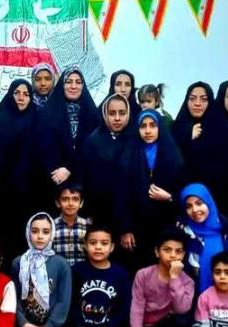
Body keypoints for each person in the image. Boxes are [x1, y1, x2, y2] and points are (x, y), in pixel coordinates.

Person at [116, 109, 186, 270]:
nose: (148, 131)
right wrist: (125, 229)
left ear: (160, 127)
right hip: (137, 229)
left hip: (166, 226)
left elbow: (184, 194)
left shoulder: (174, 157)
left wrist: (169, 197)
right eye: (143, 126)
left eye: (153, 125)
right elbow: (121, 196)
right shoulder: (128, 155)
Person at [172, 82, 228, 225]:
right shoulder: (178, 129)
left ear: (210, 102)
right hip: (185, 203)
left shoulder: (223, 128)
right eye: (192, 98)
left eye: (203, 99)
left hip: (220, 203)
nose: (197, 103)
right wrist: (186, 136)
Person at [11, 212, 71, 327]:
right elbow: (13, 298)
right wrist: (24, 324)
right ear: (28, 232)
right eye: (35, 231)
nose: (40, 236)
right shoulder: (19, 262)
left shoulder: (61, 264)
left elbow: (63, 301)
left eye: (45, 232)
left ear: (52, 234)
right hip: (26, 325)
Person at [128, 229, 194, 327]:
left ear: (183, 255)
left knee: (181, 321)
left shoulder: (187, 281)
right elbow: (137, 308)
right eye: (167, 250)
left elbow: (181, 309)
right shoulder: (143, 275)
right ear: (157, 252)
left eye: (178, 251)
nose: (173, 255)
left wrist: (174, 278)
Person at [67, 225, 131, 327]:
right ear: (85, 245)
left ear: (112, 247)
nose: (98, 247)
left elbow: (124, 307)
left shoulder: (120, 273)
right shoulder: (77, 270)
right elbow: (71, 303)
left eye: (104, 243)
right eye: (93, 242)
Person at [34, 66, 100, 207]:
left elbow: (94, 150)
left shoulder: (93, 115)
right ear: (62, 85)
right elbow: (41, 148)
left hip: (85, 184)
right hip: (53, 182)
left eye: (78, 82)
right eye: (69, 82)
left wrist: (70, 168)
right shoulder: (47, 113)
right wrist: (57, 172)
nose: (73, 86)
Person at [0, 79, 38, 255]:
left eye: (26, 94)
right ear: (10, 95)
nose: (21, 98)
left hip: (30, 190)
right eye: (17, 93)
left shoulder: (38, 119)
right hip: (2, 190)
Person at [177, 183, 228, 295]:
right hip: (192, 299)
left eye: (199, 203)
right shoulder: (183, 233)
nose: (195, 210)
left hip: (227, 299)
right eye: (189, 206)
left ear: (209, 203)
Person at [78, 93, 134, 225]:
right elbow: (84, 178)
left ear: (128, 114)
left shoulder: (135, 140)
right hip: (98, 212)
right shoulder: (93, 141)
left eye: (122, 113)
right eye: (112, 113)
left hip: (131, 214)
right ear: (104, 114)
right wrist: (87, 212)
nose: (117, 118)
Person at [53, 183, 91, 266]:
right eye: (65, 199)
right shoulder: (51, 226)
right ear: (58, 203)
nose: (70, 203)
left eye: (75, 199)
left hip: (82, 272)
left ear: (81, 203)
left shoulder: (88, 226)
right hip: (59, 272)